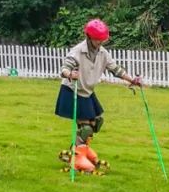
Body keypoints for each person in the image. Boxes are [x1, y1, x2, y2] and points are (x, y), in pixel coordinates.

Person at [54, 19, 142, 172]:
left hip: (87, 92)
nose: (100, 42)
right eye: (97, 39)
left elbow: (116, 69)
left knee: (95, 123)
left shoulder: (102, 52)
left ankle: (81, 150)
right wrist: (70, 74)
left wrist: (132, 80)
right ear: (89, 37)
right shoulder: (77, 51)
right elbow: (64, 68)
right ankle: (77, 157)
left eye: (103, 39)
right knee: (85, 128)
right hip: (73, 90)